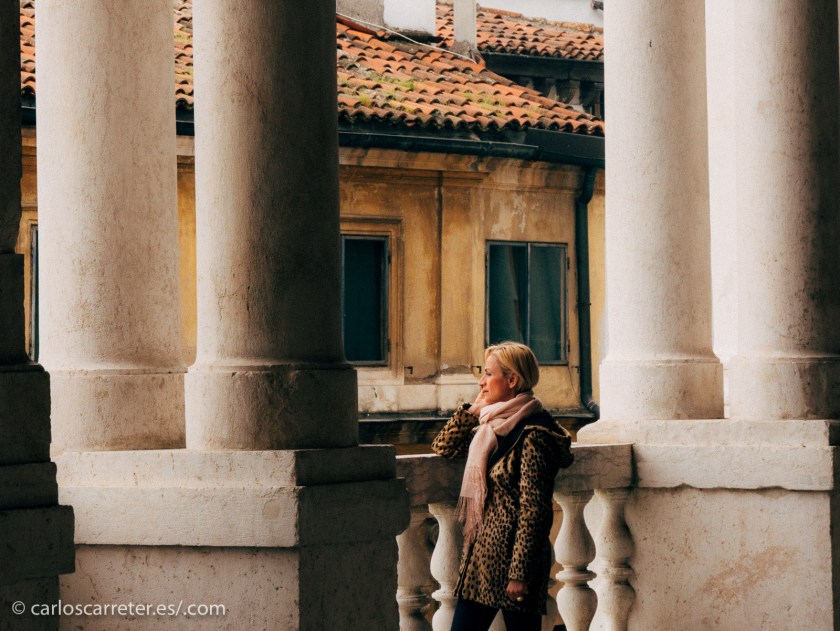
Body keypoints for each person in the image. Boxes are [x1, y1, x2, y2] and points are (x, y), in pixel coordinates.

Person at [432, 341, 574, 631]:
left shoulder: (534, 434)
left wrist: (519, 573)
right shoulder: (491, 427)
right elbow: (443, 447)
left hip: (513, 563)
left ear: (512, 380)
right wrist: (472, 410)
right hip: (482, 560)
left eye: (487, 374)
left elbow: (534, 509)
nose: (481, 382)